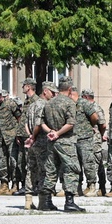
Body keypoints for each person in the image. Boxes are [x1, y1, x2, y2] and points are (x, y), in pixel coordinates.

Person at [31, 76, 84, 212]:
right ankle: (69, 201)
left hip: (51, 143)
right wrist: (58, 133)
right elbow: (70, 123)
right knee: (71, 169)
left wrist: (51, 132)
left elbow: (41, 122)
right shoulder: (69, 103)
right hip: (65, 141)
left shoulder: (48, 103)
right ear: (70, 89)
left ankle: (46, 201)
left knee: (51, 170)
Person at [75, 88, 103, 197]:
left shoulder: (87, 104)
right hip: (76, 138)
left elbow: (99, 121)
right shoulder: (72, 104)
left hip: (88, 138)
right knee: (77, 165)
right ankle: (79, 187)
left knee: (89, 163)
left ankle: (93, 186)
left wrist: (94, 129)